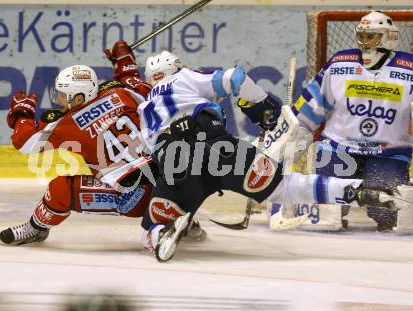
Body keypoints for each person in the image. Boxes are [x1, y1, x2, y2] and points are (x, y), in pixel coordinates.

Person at [137, 50, 400, 262]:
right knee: (286, 187)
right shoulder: (184, 77)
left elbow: (147, 154)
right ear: (175, 67)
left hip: (173, 160)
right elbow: (235, 77)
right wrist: (263, 106)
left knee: (152, 226)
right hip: (220, 148)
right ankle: (358, 191)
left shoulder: (144, 106)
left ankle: (164, 232)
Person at [0, 41, 159, 245]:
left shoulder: (66, 123)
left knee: (60, 188)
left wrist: (22, 113)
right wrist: (124, 58)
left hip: (133, 198)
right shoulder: (123, 93)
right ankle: (173, 211)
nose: (60, 101)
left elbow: (24, 142)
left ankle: (35, 228)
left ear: (79, 97)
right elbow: (133, 80)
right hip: (166, 184)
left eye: (63, 96)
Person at [291, 11, 413, 231]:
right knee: (328, 209)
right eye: (362, 36)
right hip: (338, 149)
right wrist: (293, 139)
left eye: (371, 37)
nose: (364, 43)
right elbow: (309, 110)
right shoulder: (339, 64)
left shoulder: (409, 69)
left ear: (387, 37)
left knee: (388, 211)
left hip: (389, 153)